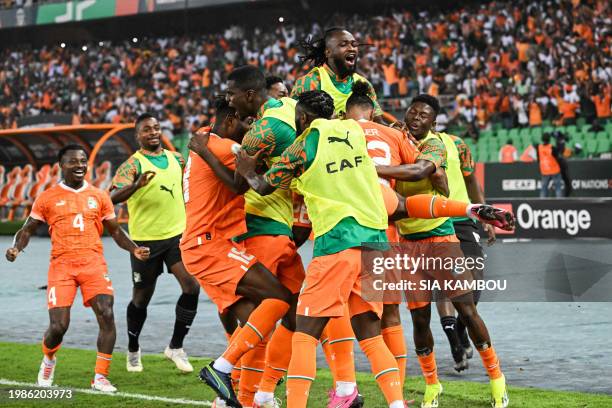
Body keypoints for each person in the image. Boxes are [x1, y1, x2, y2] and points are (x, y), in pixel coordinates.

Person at [233, 91, 514, 408]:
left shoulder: (307, 142)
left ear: (302, 118)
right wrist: (471, 209)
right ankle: (392, 400)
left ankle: (284, 393)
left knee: (304, 332)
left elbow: (263, 185)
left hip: (338, 246)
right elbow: (406, 202)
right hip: (381, 245)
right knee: (373, 332)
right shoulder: (364, 151)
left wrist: (245, 167)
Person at [384, 95, 509, 408]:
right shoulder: (396, 141)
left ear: (433, 122)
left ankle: (496, 380)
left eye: (423, 114)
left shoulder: (439, 145)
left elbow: (433, 177)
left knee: (468, 309)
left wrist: (377, 169)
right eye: (412, 111)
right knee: (419, 319)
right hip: (408, 243)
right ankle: (431, 386)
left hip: (442, 236)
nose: (416, 117)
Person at [5, 144, 150, 392]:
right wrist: (16, 248)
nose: (80, 165)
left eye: (83, 161)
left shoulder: (99, 196)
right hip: (61, 266)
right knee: (59, 327)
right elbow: (27, 229)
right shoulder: (47, 197)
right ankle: (49, 360)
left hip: (93, 263)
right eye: (73, 161)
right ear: (61, 165)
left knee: (106, 313)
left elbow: (115, 231)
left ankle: (101, 377)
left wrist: (134, 248)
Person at [110, 113, 200, 373]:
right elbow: (113, 197)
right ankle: (133, 348)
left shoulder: (177, 159)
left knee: (191, 287)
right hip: (145, 242)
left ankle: (175, 347)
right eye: (146, 129)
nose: (152, 132)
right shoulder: (131, 165)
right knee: (141, 300)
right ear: (138, 135)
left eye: (156, 128)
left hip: (176, 237)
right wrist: (136, 186)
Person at [291, 27, 385, 122]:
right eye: (343, 45)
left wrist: (394, 128)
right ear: (328, 52)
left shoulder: (363, 83)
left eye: (354, 44)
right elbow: (294, 123)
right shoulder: (310, 82)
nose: (351, 48)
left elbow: (378, 123)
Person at [536, 133, 562, 198]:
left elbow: (538, 159)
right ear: (549, 139)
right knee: (558, 188)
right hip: (554, 170)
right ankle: (560, 203)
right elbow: (558, 157)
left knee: (543, 188)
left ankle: (541, 204)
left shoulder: (539, 147)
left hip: (545, 170)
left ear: (542, 139)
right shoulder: (552, 148)